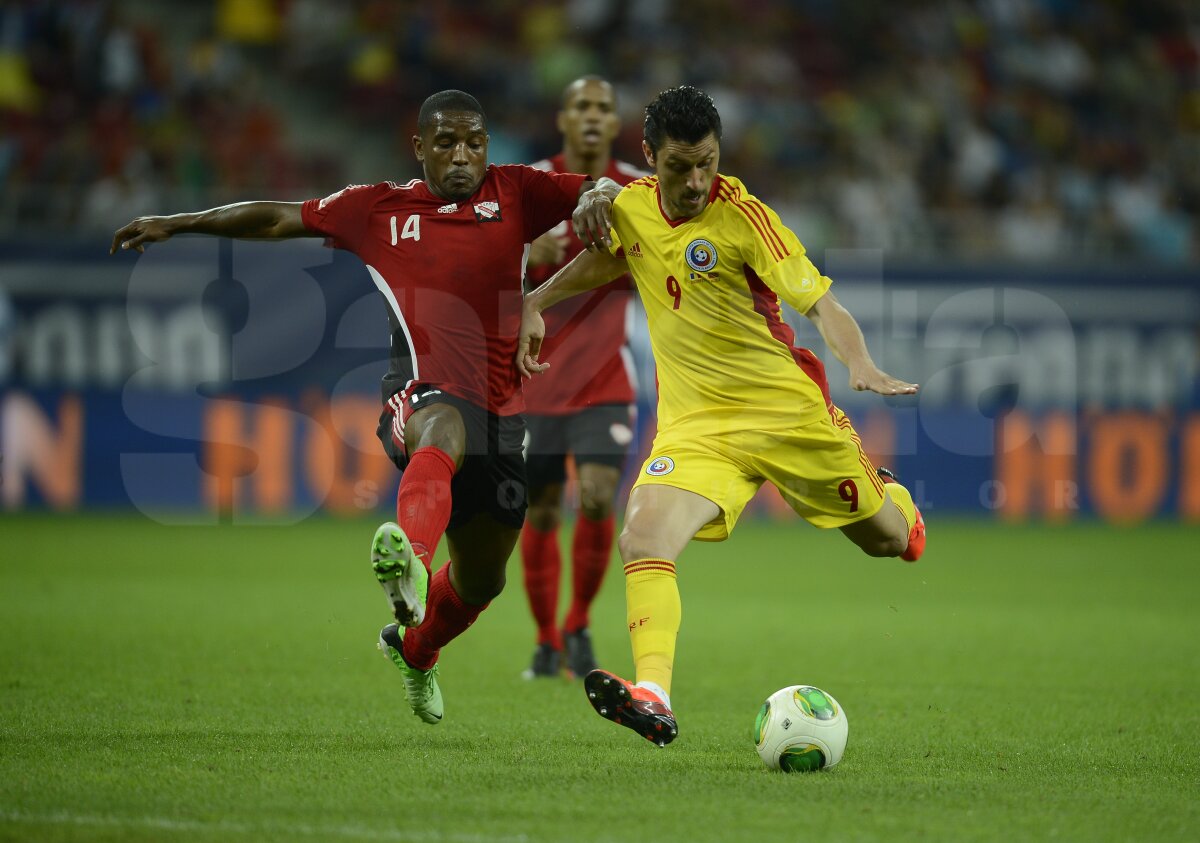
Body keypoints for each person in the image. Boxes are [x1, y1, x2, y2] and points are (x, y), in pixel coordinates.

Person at [111, 89, 621, 725]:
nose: (462, 155)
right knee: (442, 425)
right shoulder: (377, 208)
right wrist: (179, 223)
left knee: (484, 581)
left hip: (503, 413)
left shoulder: (516, 190)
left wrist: (599, 194)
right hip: (418, 391)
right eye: (446, 143)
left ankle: (414, 649)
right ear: (419, 148)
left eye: (474, 142)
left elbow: (603, 192)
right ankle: (409, 557)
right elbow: (276, 218)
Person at [517, 85, 926, 747]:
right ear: (649, 156)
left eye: (707, 162)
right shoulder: (632, 208)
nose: (695, 180)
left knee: (886, 541)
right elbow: (608, 257)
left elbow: (820, 304)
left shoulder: (745, 215)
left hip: (787, 416)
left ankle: (900, 507)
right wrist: (536, 299)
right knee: (643, 537)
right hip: (696, 427)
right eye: (679, 166)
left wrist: (860, 362)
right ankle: (653, 693)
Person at [519, 76, 646, 680]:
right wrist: (519, 255)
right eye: (581, 107)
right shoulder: (528, 189)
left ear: (615, 122)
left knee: (597, 497)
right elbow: (478, 280)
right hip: (534, 381)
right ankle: (546, 642)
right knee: (540, 511)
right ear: (563, 119)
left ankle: (577, 624)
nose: (593, 117)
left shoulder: (639, 192)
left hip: (604, 381)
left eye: (603, 106)